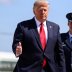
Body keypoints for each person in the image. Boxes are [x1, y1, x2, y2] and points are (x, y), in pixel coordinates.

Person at [12, 0, 66, 72]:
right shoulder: (23, 26)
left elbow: (60, 52)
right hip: (28, 69)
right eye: (40, 9)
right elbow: (16, 44)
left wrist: (62, 70)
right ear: (34, 11)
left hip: (49, 69)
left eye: (45, 10)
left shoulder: (55, 27)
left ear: (48, 11)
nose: (43, 12)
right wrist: (17, 50)